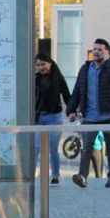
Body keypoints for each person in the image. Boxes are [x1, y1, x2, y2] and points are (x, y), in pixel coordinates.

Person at [67, 38, 110, 188]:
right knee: (86, 148)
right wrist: (71, 110)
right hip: (90, 117)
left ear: (107, 52)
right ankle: (82, 177)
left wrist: (109, 61)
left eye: (100, 49)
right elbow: (77, 91)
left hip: (109, 116)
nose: (96, 52)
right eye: (94, 49)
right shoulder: (85, 69)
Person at [34, 53, 71, 184]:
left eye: (43, 64)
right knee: (36, 148)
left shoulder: (57, 78)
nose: (40, 67)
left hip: (54, 117)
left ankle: (55, 175)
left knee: (52, 149)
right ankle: (32, 175)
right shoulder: (35, 79)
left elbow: (67, 95)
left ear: (50, 64)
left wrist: (71, 112)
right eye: (38, 65)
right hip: (38, 118)